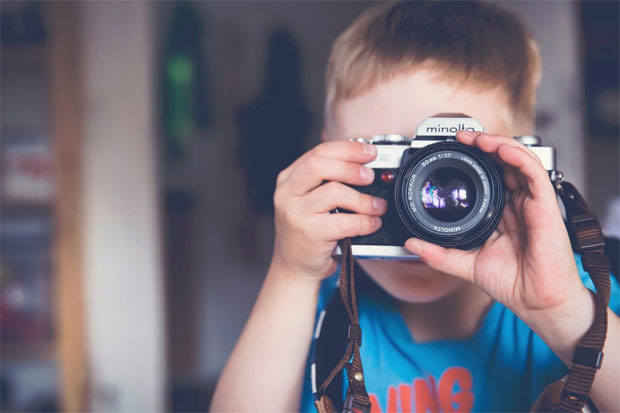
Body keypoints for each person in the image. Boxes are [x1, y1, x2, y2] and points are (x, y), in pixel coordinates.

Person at [210, 2, 620, 412]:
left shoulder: (573, 295)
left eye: (453, 169)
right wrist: (292, 271)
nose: (419, 212)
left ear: (518, 166)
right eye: (389, 166)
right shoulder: (315, 310)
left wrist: (563, 314)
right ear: (326, 159)